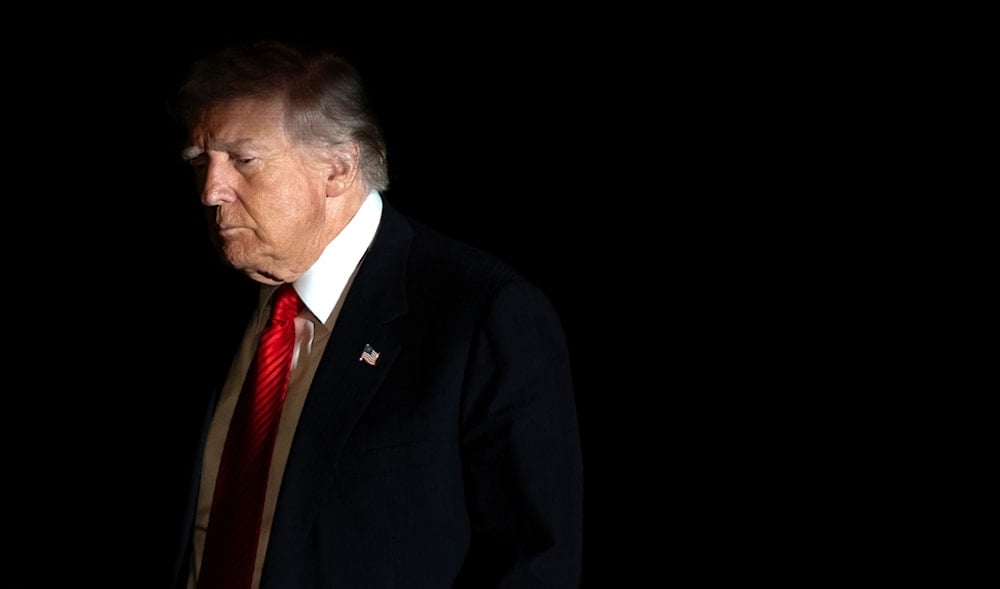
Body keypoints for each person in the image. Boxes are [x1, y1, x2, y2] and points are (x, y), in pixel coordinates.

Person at [165, 38, 584, 588]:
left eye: (242, 160)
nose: (211, 191)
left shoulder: (482, 314)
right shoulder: (211, 300)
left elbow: (536, 563)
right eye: (203, 162)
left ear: (338, 168)